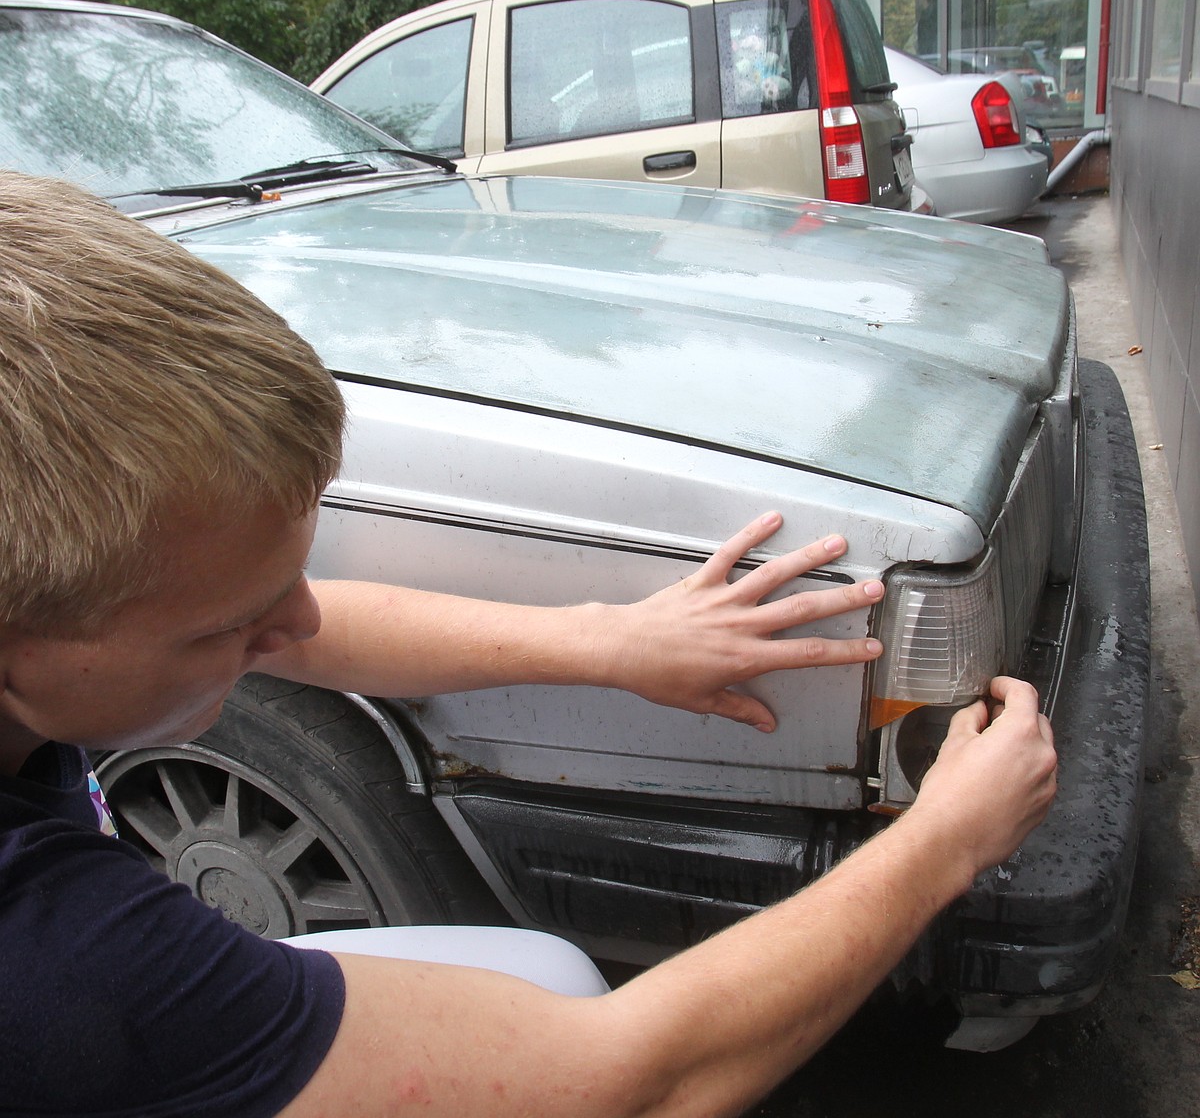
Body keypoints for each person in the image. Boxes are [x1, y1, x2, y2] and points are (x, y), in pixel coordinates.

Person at [0, 169, 1057, 1118]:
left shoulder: (66, 631)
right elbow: (634, 1083)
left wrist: (614, 642)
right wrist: (946, 842)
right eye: (228, 627)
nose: (302, 623)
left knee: (542, 971)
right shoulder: (56, 966)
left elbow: (309, 635)